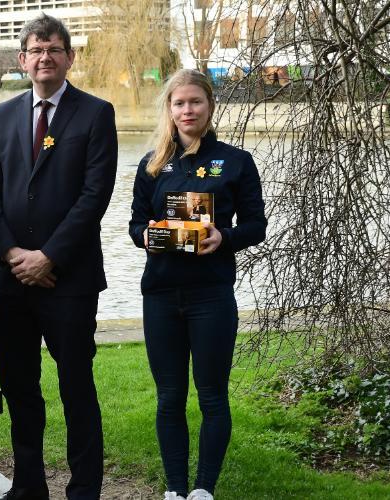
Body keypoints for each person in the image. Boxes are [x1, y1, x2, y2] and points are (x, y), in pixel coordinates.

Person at [0, 14, 117, 500]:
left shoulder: (96, 114)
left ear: (69, 57)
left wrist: (49, 256)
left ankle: (84, 490)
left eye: (54, 49)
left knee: (76, 388)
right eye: (36, 50)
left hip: (70, 280)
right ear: (22, 59)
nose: (45, 57)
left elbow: (95, 195)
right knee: (20, 388)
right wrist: (13, 253)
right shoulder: (3, 114)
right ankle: (29, 484)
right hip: (11, 281)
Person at [129, 69, 267, 500]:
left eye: (195, 102)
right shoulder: (151, 164)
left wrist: (224, 237)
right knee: (169, 397)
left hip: (211, 295)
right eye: (178, 103)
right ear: (169, 110)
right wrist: (150, 237)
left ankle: (203, 488)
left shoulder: (236, 161)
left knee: (212, 396)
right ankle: (175, 488)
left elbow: (256, 226)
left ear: (209, 106)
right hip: (162, 295)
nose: (187, 110)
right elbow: (135, 226)